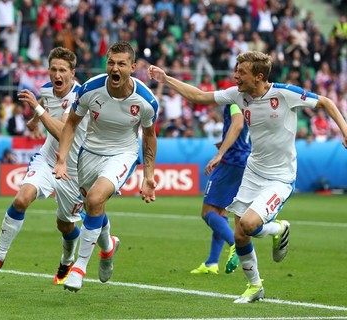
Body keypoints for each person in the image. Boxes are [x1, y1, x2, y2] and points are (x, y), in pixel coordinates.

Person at [148, 51, 347, 303]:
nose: (235, 76)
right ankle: (255, 287)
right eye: (236, 70)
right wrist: (166, 79)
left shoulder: (285, 93)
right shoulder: (238, 95)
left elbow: (327, 102)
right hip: (254, 171)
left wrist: (345, 130)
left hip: (280, 177)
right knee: (240, 234)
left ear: (259, 76)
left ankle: (279, 228)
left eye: (241, 72)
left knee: (249, 225)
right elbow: (199, 95)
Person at [0, 47, 88, 285]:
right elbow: (47, 107)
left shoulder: (80, 96)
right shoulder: (47, 90)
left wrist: (36, 109)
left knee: (65, 224)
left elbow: (63, 131)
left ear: (72, 73)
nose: (57, 74)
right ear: (48, 70)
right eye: (54, 69)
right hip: (48, 159)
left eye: (63, 70)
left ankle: (67, 261)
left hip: (74, 167)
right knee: (21, 199)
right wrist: (35, 120)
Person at [52, 40, 158, 292]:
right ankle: (108, 247)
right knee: (92, 204)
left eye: (121, 63)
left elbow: (150, 135)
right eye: (111, 62)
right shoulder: (90, 90)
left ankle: (79, 268)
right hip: (89, 151)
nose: (115, 68)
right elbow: (71, 124)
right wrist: (62, 159)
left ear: (132, 67)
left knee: (97, 198)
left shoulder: (146, 101)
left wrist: (148, 176)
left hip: (123, 153)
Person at [190, 103, 251, 275]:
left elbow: (237, 124)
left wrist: (221, 153)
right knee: (221, 213)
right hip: (244, 161)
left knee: (207, 212)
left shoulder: (235, 102)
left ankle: (235, 244)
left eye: (240, 73)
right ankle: (211, 263)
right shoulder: (253, 104)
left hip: (230, 162)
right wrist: (226, 143)